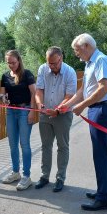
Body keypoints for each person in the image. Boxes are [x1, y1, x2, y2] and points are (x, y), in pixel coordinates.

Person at [58, 33, 107, 211]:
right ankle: (106, 191)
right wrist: (67, 106)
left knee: (100, 153)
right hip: (98, 108)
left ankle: (103, 198)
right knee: (102, 152)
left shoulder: (100, 60)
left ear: (86, 46)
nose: (76, 54)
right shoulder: (89, 63)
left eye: (77, 50)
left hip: (102, 108)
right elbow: (83, 90)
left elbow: (103, 88)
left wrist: (82, 106)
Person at [34, 46, 77, 192]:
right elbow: (39, 90)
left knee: (62, 146)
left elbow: (69, 96)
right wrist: (40, 104)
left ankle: (60, 178)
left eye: (54, 63)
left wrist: (58, 110)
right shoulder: (42, 69)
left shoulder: (70, 72)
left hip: (63, 114)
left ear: (61, 59)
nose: (51, 67)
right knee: (46, 146)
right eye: (49, 63)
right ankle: (44, 176)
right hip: (45, 113)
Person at [0, 50, 36, 190]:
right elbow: (2, 94)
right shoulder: (5, 76)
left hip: (24, 110)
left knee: (24, 144)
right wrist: (3, 99)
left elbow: (34, 93)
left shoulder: (27, 74)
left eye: (13, 62)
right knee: (12, 144)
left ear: (19, 61)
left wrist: (32, 111)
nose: (11, 65)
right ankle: (16, 172)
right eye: (8, 62)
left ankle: (26, 176)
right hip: (10, 111)